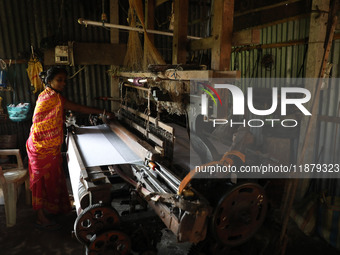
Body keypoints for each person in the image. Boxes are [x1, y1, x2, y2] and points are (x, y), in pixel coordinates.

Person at [26, 66, 114, 230]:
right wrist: (103, 112)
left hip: (48, 148)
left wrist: (102, 111)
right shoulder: (49, 98)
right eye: (59, 80)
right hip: (40, 148)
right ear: (49, 81)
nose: (63, 83)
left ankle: (55, 209)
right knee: (41, 184)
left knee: (53, 181)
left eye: (64, 81)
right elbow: (77, 108)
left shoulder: (53, 96)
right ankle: (41, 217)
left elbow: (74, 109)